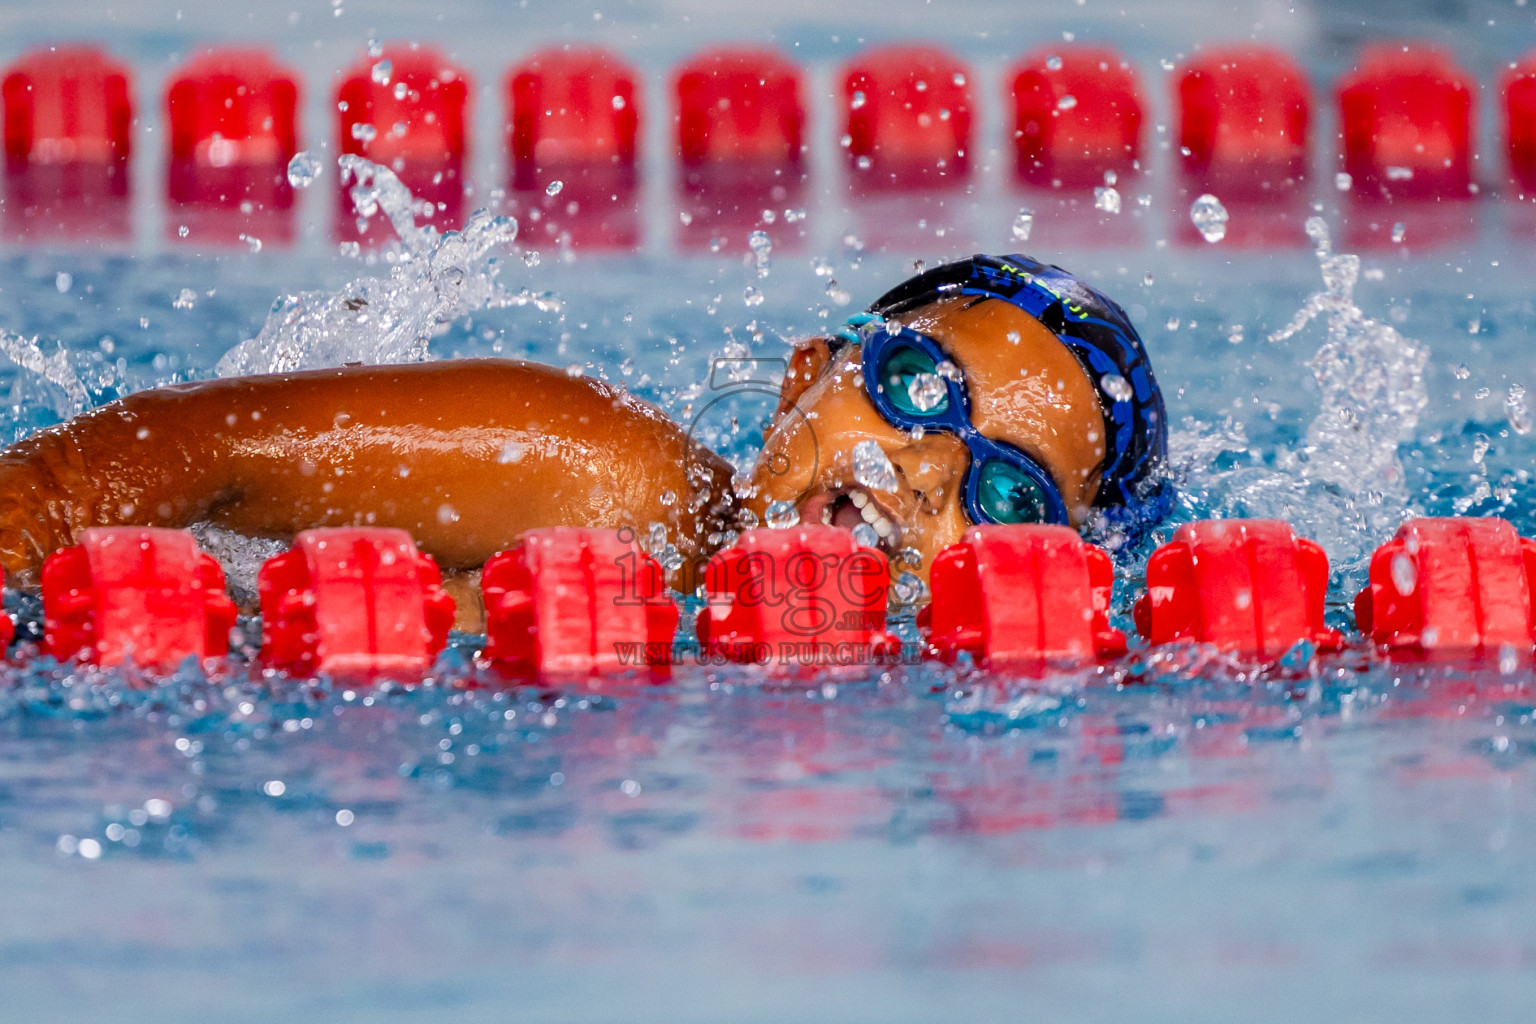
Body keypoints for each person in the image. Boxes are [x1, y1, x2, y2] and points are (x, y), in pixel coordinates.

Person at [0, 253, 1169, 629]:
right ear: (801, 383)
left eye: (1011, 494)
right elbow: (195, 448)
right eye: (918, 387)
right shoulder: (617, 482)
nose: (930, 465)